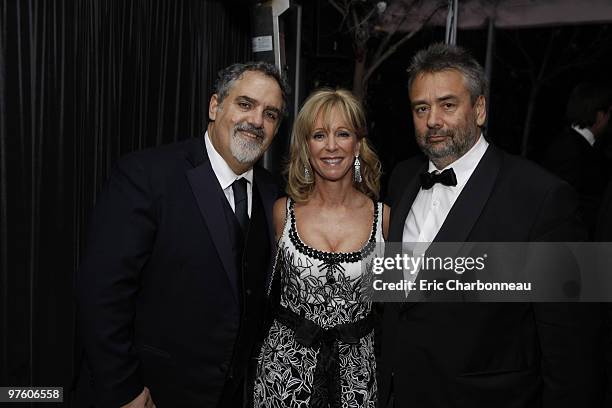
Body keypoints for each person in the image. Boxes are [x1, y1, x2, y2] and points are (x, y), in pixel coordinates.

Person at [378, 43, 604, 408]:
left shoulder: (543, 196)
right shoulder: (403, 178)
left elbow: (571, 349)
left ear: (479, 109)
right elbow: (398, 300)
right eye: (422, 108)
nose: (432, 119)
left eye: (447, 105)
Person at [76, 61, 289, 407]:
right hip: (151, 394)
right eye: (245, 104)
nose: (256, 121)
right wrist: (123, 389)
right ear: (215, 106)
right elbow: (102, 293)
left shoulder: (274, 195)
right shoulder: (146, 176)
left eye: (271, 114)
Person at [253, 88, 389, 407]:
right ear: (306, 145)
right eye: (318, 135)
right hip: (282, 376)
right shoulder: (280, 212)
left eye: (342, 133)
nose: (330, 146)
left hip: (357, 381)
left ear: (357, 144)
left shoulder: (385, 219)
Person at [541, 82, 612, 237]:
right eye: (609, 115)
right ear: (600, 116)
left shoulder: (580, 147)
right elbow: (559, 208)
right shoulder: (569, 149)